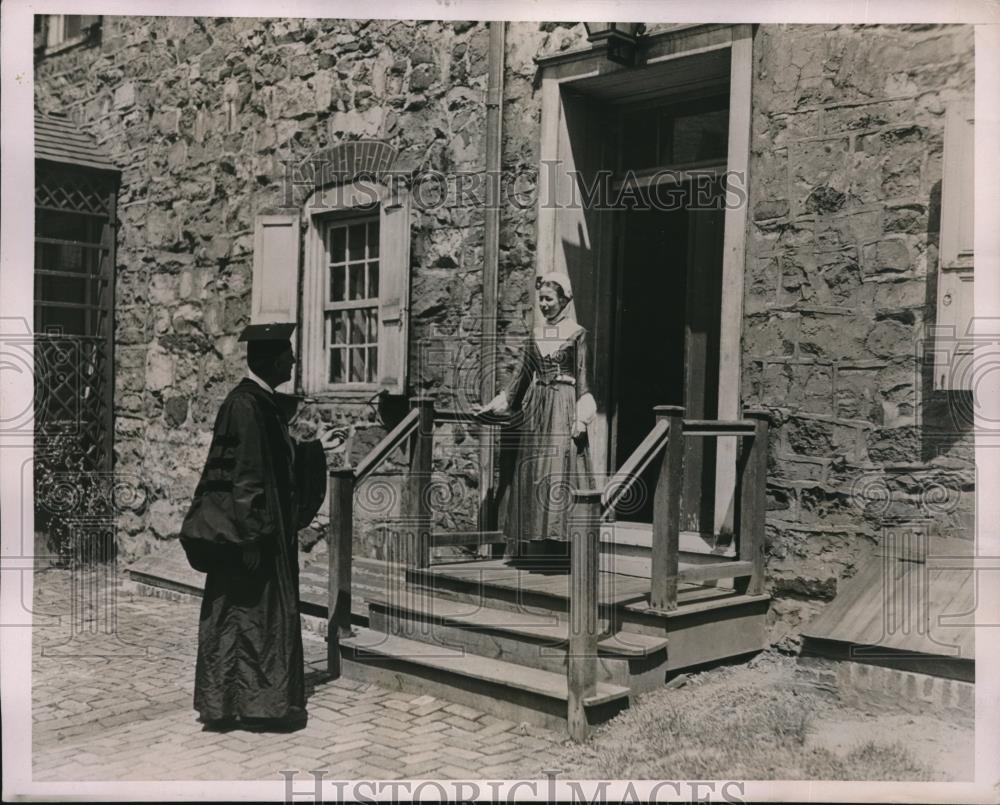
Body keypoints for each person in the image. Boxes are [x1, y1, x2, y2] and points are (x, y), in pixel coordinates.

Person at [179, 322, 337, 732]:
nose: (294, 360)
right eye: (287, 355)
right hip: (253, 538)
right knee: (245, 616)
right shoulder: (247, 406)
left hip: (263, 534)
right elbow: (246, 480)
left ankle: (247, 702)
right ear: (269, 361)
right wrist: (248, 538)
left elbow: (272, 467)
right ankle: (249, 704)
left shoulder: (259, 403)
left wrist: (314, 449)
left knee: (245, 617)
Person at [476, 272, 597, 566]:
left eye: (549, 299)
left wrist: (581, 418)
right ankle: (538, 548)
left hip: (564, 405)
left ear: (564, 300)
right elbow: (520, 379)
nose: (544, 304)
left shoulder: (577, 333)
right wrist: (497, 405)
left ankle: (565, 549)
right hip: (538, 409)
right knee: (536, 470)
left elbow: (583, 380)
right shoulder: (537, 336)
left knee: (561, 468)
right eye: (541, 298)